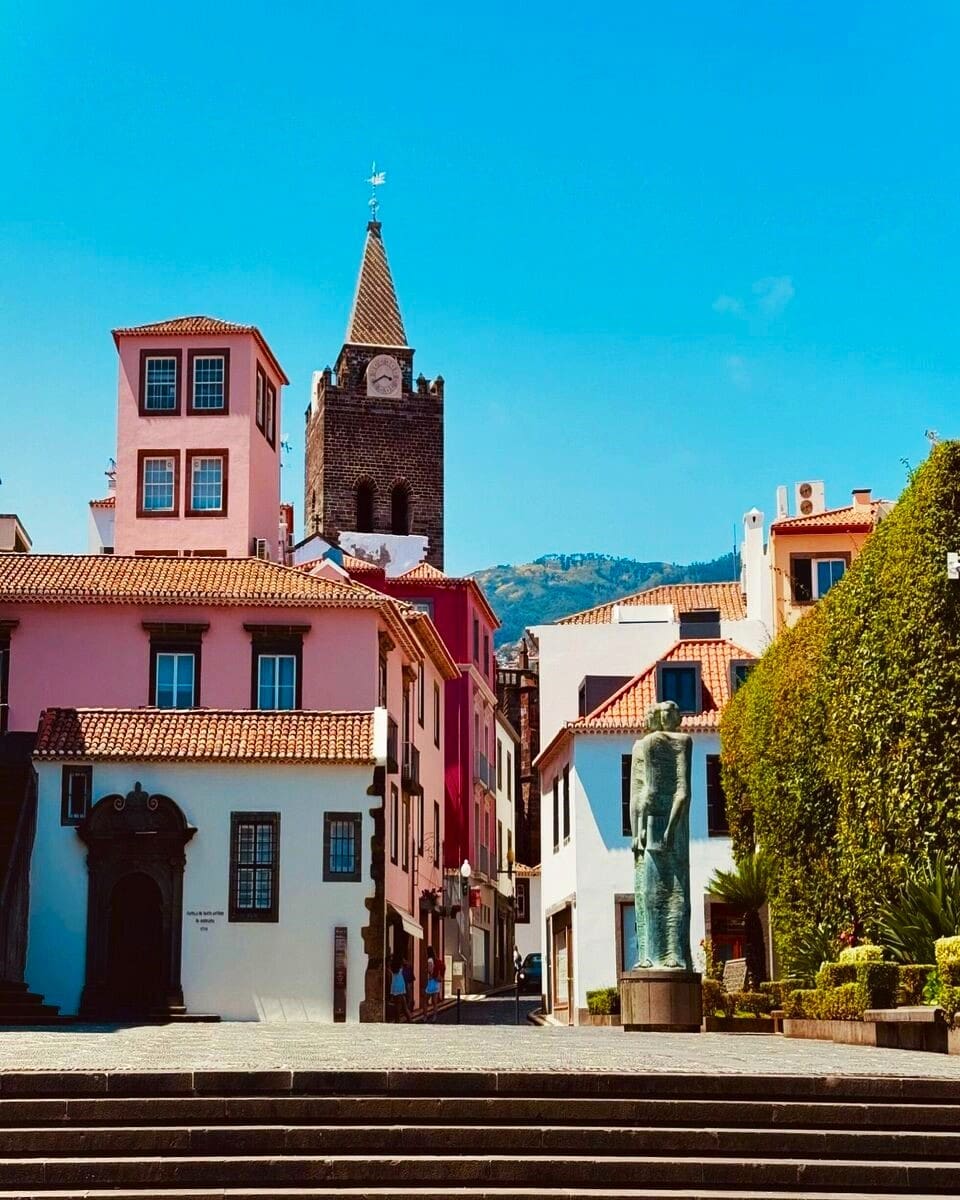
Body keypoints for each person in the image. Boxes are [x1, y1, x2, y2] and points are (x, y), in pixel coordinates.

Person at [424, 944, 444, 1021]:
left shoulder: (429, 960)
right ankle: (434, 1017)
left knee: (425, 1000)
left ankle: (425, 1017)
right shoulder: (436, 959)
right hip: (437, 982)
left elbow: (430, 970)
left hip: (431, 981)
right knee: (435, 1001)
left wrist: (428, 972)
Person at [389, 954, 410, 1022]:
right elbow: (407, 963)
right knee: (402, 1005)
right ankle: (408, 1019)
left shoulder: (392, 966)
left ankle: (398, 1020)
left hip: (395, 985)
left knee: (398, 1005)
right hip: (400, 985)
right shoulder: (401, 966)